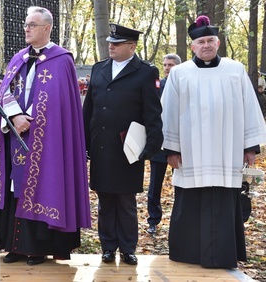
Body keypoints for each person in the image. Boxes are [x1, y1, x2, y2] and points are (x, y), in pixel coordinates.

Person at [0, 6, 91, 266]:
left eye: (32, 24)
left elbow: (59, 102)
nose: (26, 29)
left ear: (47, 28)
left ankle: (38, 248)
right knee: (13, 188)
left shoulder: (62, 60)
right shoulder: (18, 58)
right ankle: (14, 246)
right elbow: (3, 91)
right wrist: (15, 117)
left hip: (46, 138)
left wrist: (28, 117)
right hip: (13, 135)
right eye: (26, 24)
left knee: (43, 187)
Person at [161, 15, 266, 269]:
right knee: (190, 201)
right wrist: (171, 148)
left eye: (210, 40)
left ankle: (221, 255)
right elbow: (169, 111)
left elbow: (250, 108)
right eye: (200, 41)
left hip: (226, 151)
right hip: (190, 152)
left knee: (222, 202)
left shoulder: (235, 69)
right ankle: (188, 253)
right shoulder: (180, 74)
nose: (206, 45)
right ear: (193, 46)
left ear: (218, 43)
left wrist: (250, 147)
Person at [83, 23, 163, 266]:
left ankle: (128, 248)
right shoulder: (99, 69)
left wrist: (150, 147)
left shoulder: (146, 72)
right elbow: (89, 110)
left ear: (132, 46)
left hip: (128, 147)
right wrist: (85, 142)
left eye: (117, 44)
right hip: (101, 146)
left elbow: (152, 112)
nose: (111, 46)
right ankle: (108, 246)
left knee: (126, 201)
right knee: (105, 199)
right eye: (110, 43)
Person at [146, 53, 181, 235]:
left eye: (171, 65)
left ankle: (179, 220)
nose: (167, 68)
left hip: (180, 145)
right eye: (165, 65)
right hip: (159, 144)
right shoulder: (158, 86)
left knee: (181, 184)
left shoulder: (185, 84)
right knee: (154, 186)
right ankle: (153, 220)